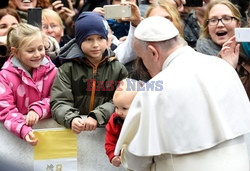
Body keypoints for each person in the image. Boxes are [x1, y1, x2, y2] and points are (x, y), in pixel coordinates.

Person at [114, 16, 250, 170]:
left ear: (153, 52)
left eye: (142, 58)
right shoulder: (224, 67)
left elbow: (137, 159)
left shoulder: (155, 90)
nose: (144, 65)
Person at [50, 12, 128, 134]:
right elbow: (59, 101)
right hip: (74, 134)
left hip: (106, 135)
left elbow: (123, 101)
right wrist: (71, 118)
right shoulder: (67, 69)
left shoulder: (118, 69)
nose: (95, 44)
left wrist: (98, 115)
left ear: (107, 39)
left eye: (100, 38)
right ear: (79, 41)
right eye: (88, 39)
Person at [0, 23, 57, 146]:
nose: (37, 54)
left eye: (40, 48)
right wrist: (23, 129)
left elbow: (58, 98)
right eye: (30, 51)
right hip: (17, 143)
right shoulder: (5, 76)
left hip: (51, 139)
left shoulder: (53, 70)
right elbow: (5, 110)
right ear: (15, 52)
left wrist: (38, 110)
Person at [196, 0, 250, 99]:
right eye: (213, 20)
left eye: (226, 18)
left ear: (238, 24)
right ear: (207, 27)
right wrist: (226, 68)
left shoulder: (247, 51)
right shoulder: (197, 61)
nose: (220, 24)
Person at [105, 78, 138, 167]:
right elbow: (110, 140)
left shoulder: (145, 119)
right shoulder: (115, 119)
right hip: (127, 161)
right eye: (116, 107)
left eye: (124, 108)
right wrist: (113, 156)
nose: (119, 112)